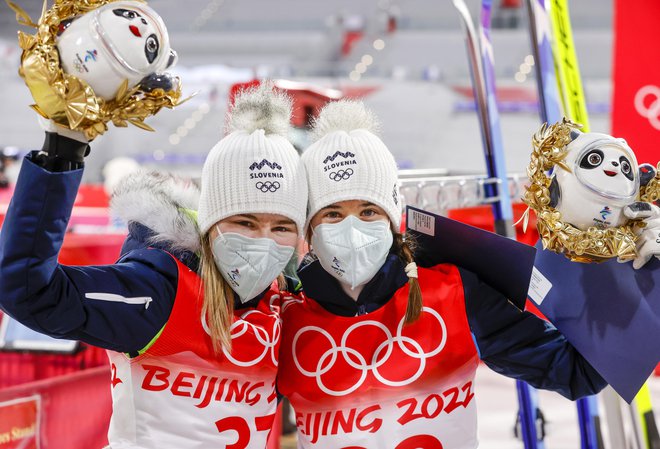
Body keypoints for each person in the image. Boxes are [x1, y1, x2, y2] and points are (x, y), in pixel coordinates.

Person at [277, 100, 611, 448]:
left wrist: (628, 267)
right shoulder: (286, 318)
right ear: (309, 227)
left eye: (368, 211)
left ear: (392, 219)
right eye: (332, 214)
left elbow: (575, 371)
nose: (352, 228)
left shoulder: (453, 293)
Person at [0, 84, 307, 448]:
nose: (263, 242)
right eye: (244, 222)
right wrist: (62, 151)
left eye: (282, 227)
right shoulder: (158, 292)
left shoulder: (281, 301)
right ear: (210, 222)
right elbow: (28, 290)